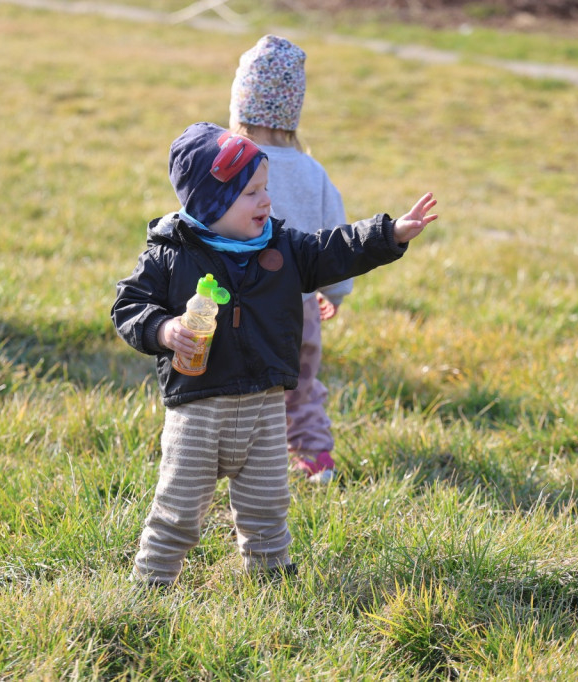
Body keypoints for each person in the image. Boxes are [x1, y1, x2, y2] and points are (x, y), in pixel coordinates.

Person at [112, 121, 437, 587]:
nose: (266, 200)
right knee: (180, 508)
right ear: (211, 202)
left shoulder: (283, 247)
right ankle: (153, 578)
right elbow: (127, 306)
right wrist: (164, 330)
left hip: (265, 407)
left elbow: (335, 249)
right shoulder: (171, 254)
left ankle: (271, 576)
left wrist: (391, 235)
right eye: (251, 193)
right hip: (199, 409)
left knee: (267, 504)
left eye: (265, 189)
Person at [230, 34, 349, 484]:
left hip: (242, 303)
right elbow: (337, 237)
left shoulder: (233, 165)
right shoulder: (313, 173)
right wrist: (335, 291)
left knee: (241, 388)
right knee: (300, 384)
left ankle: (240, 461)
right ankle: (316, 459)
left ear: (240, 106)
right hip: (300, 306)